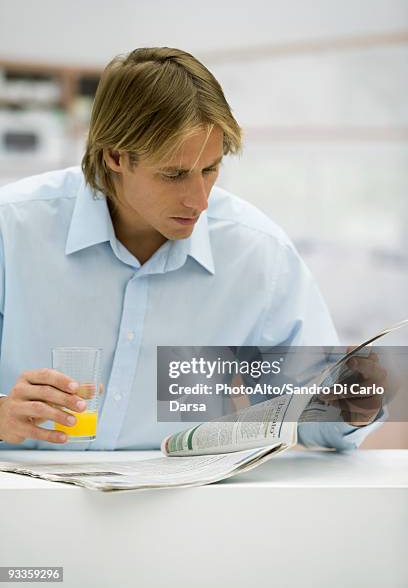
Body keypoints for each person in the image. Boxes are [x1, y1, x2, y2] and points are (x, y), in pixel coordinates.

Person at [0, 47, 383, 450]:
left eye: (210, 169)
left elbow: (306, 413)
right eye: (174, 174)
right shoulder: (12, 229)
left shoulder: (257, 253)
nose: (199, 200)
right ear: (115, 155)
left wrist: (350, 406)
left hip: (181, 503)